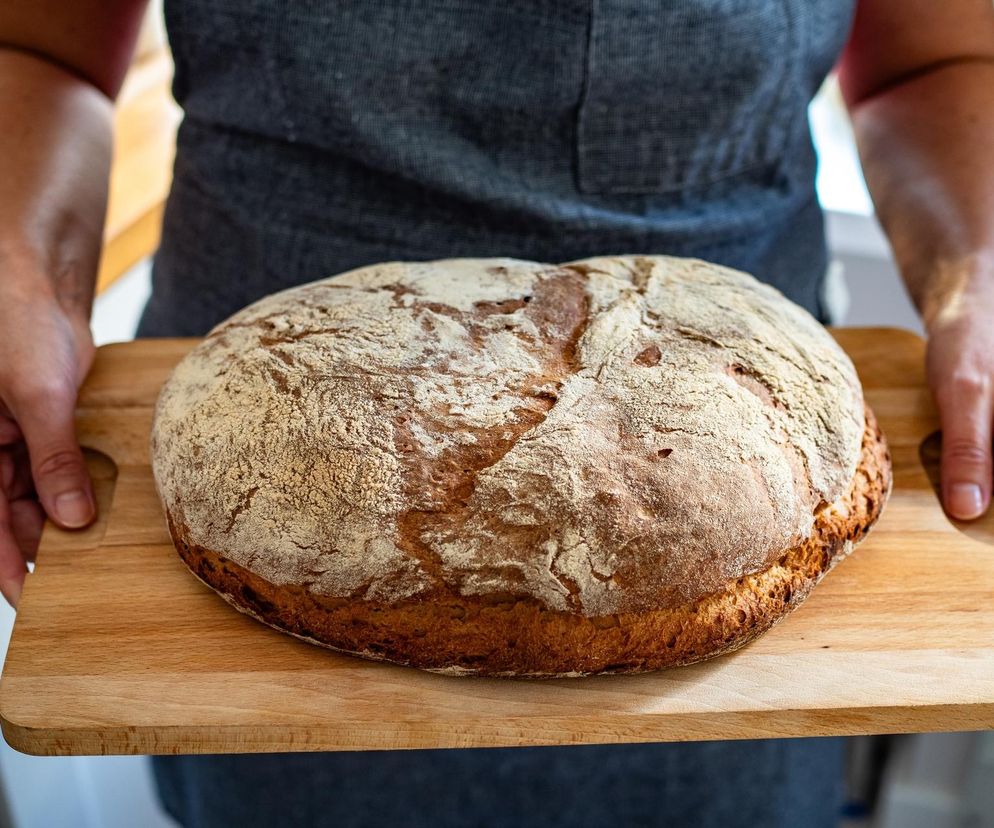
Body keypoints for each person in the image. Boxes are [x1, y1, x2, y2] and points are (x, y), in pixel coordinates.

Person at [1, 1, 992, 826]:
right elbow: (42, 47)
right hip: (282, 415)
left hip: (728, 405)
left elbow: (932, 60)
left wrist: (978, 277)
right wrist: (21, 276)